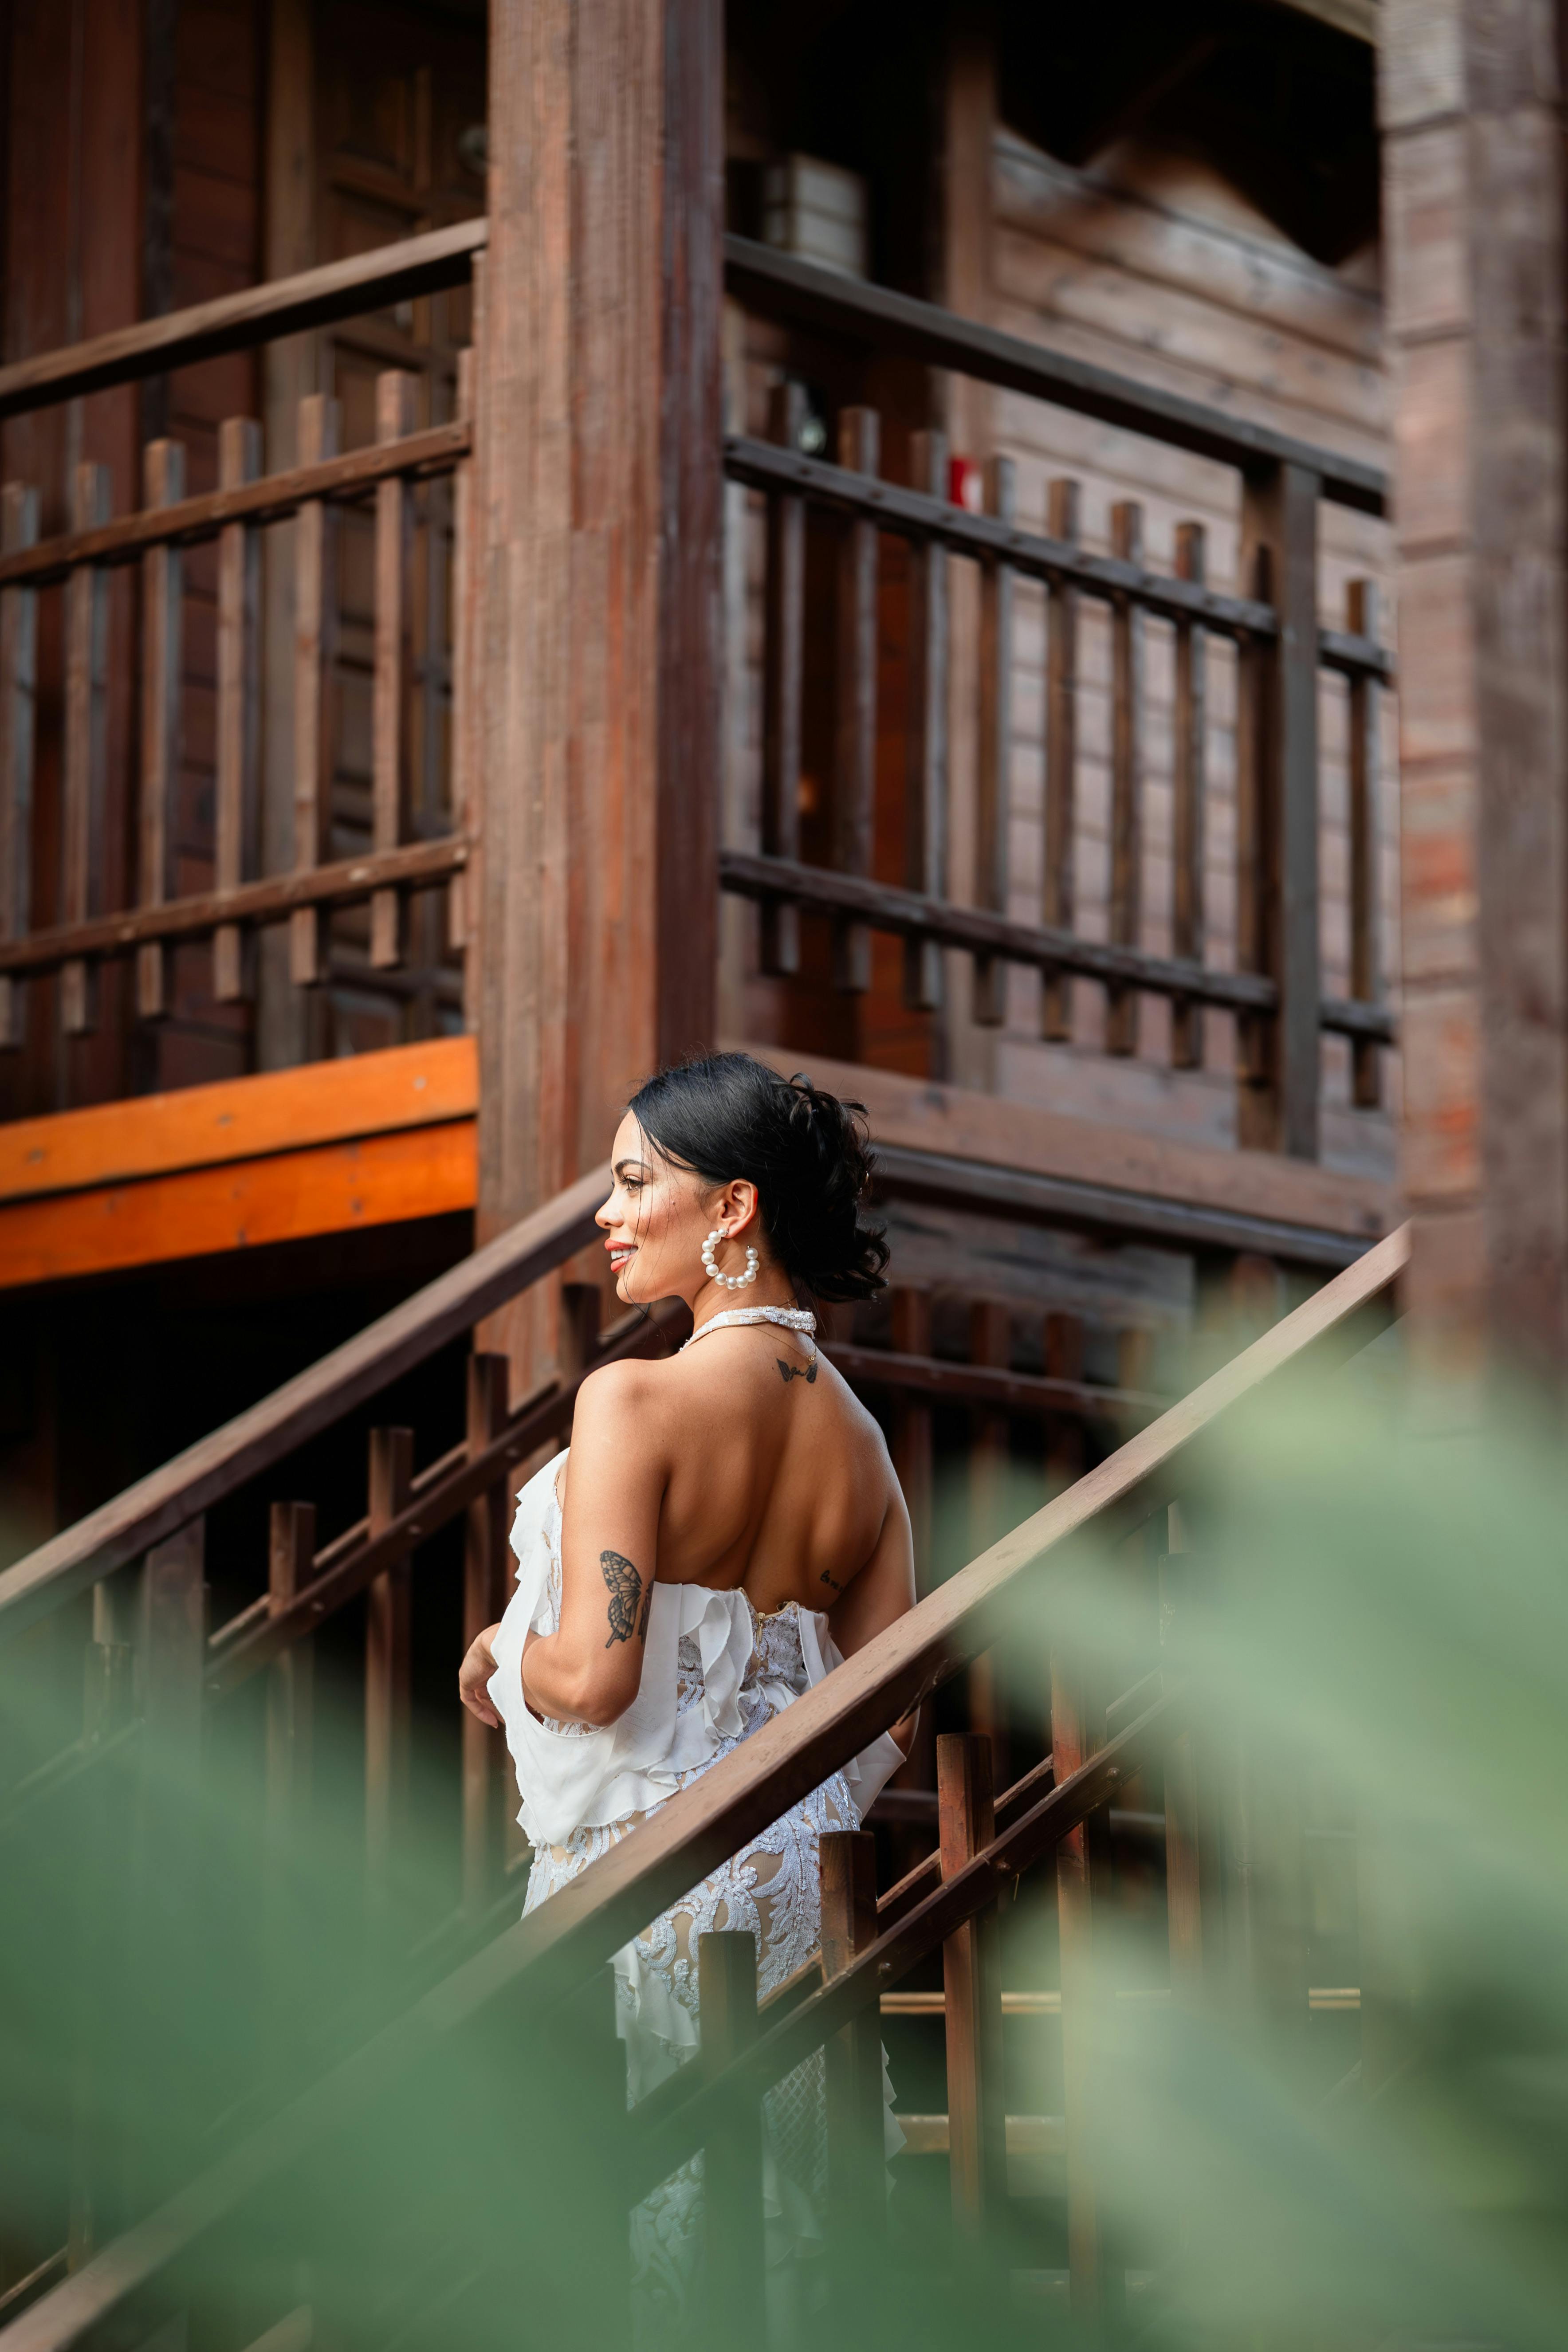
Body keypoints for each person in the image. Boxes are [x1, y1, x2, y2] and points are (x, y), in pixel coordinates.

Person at [457, 1051, 916, 2338]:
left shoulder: (634, 1399)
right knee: (789, 2227)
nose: (608, 1214)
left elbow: (596, 1677)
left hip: (645, 1878)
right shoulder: (864, 1445)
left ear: (731, 1208)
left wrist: (502, 1649)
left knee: (647, 2219)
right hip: (794, 1888)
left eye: (634, 1181)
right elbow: (895, 1715)